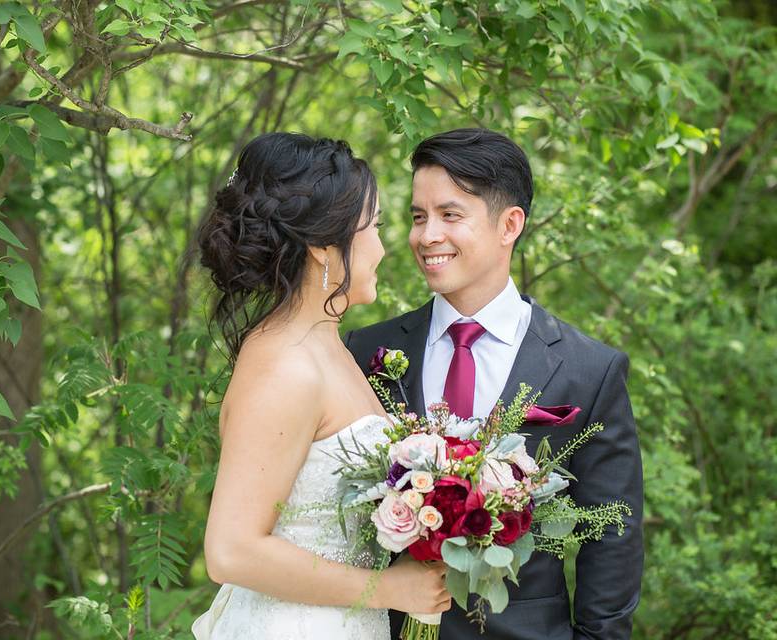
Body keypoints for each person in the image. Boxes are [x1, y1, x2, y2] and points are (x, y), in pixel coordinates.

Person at [344, 128, 644, 639]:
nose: (426, 235)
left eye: (450, 215)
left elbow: (612, 537)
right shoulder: (365, 353)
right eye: (418, 217)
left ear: (510, 224)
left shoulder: (587, 369)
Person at [193, 132, 451, 639]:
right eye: (373, 227)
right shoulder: (283, 364)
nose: (383, 246)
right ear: (321, 246)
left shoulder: (329, 347)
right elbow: (230, 550)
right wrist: (389, 590)